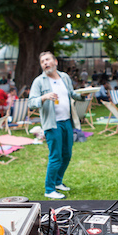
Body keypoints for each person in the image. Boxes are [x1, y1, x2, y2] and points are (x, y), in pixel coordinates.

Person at [28, 51, 83, 200]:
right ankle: (49, 189)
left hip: (67, 121)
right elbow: (31, 102)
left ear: (55, 62)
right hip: (52, 124)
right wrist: (44, 97)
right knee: (56, 156)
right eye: (42, 61)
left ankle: (58, 182)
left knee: (67, 155)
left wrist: (83, 94)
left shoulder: (64, 77)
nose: (45, 63)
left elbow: (71, 93)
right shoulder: (39, 81)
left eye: (47, 60)